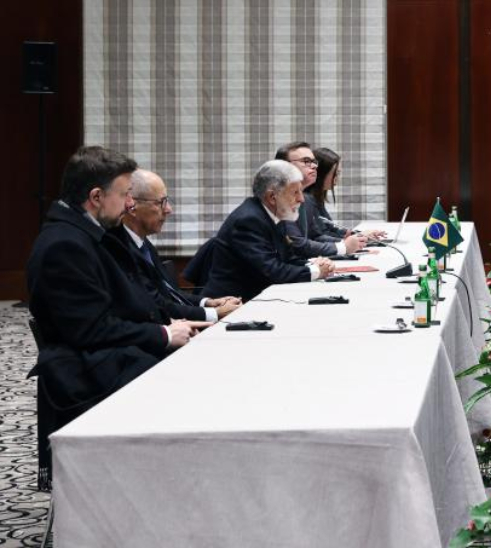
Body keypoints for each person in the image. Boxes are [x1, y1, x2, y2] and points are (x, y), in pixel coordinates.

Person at [26, 147, 206, 425]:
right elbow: (90, 330)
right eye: (124, 195)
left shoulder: (88, 234)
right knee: (197, 382)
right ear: (96, 197)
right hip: (88, 372)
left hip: (111, 353)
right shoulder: (65, 245)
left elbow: (129, 300)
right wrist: (163, 334)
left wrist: (170, 323)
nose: (128, 205)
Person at [108, 169, 242, 322]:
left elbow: (170, 292)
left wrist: (208, 302)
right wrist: (214, 314)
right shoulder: (120, 249)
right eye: (161, 202)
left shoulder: (143, 243)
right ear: (132, 205)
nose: (168, 209)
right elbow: (156, 303)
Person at [202, 160, 334, 300]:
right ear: (272, 197)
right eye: (295, 192)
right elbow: (271, 271)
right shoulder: (248, 220)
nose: (301, 199)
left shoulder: (276, 213)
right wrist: (315, 271)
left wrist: (313, 263)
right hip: (232, 304)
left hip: (261, 296)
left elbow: (289, 259)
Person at [275, 141, 364, 257]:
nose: (314, 166)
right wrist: (343, 246)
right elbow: (296, 245)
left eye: (314, 162)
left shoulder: (305, 199)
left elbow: (315, 235)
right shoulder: (277, 199)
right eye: (306, 161)